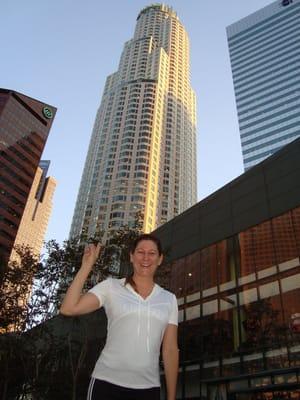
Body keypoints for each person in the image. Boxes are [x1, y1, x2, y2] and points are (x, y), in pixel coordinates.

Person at [60, 233, 179, 400]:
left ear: (160, 259)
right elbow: (68, 308)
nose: (145, 257)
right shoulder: (112, 287)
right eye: (140, 252)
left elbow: (170, 350)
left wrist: (171, 397)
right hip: (106, 383)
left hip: (148, 388)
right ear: (131, 256)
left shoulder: (169, 299)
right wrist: (86, 266)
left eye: (152, 253)